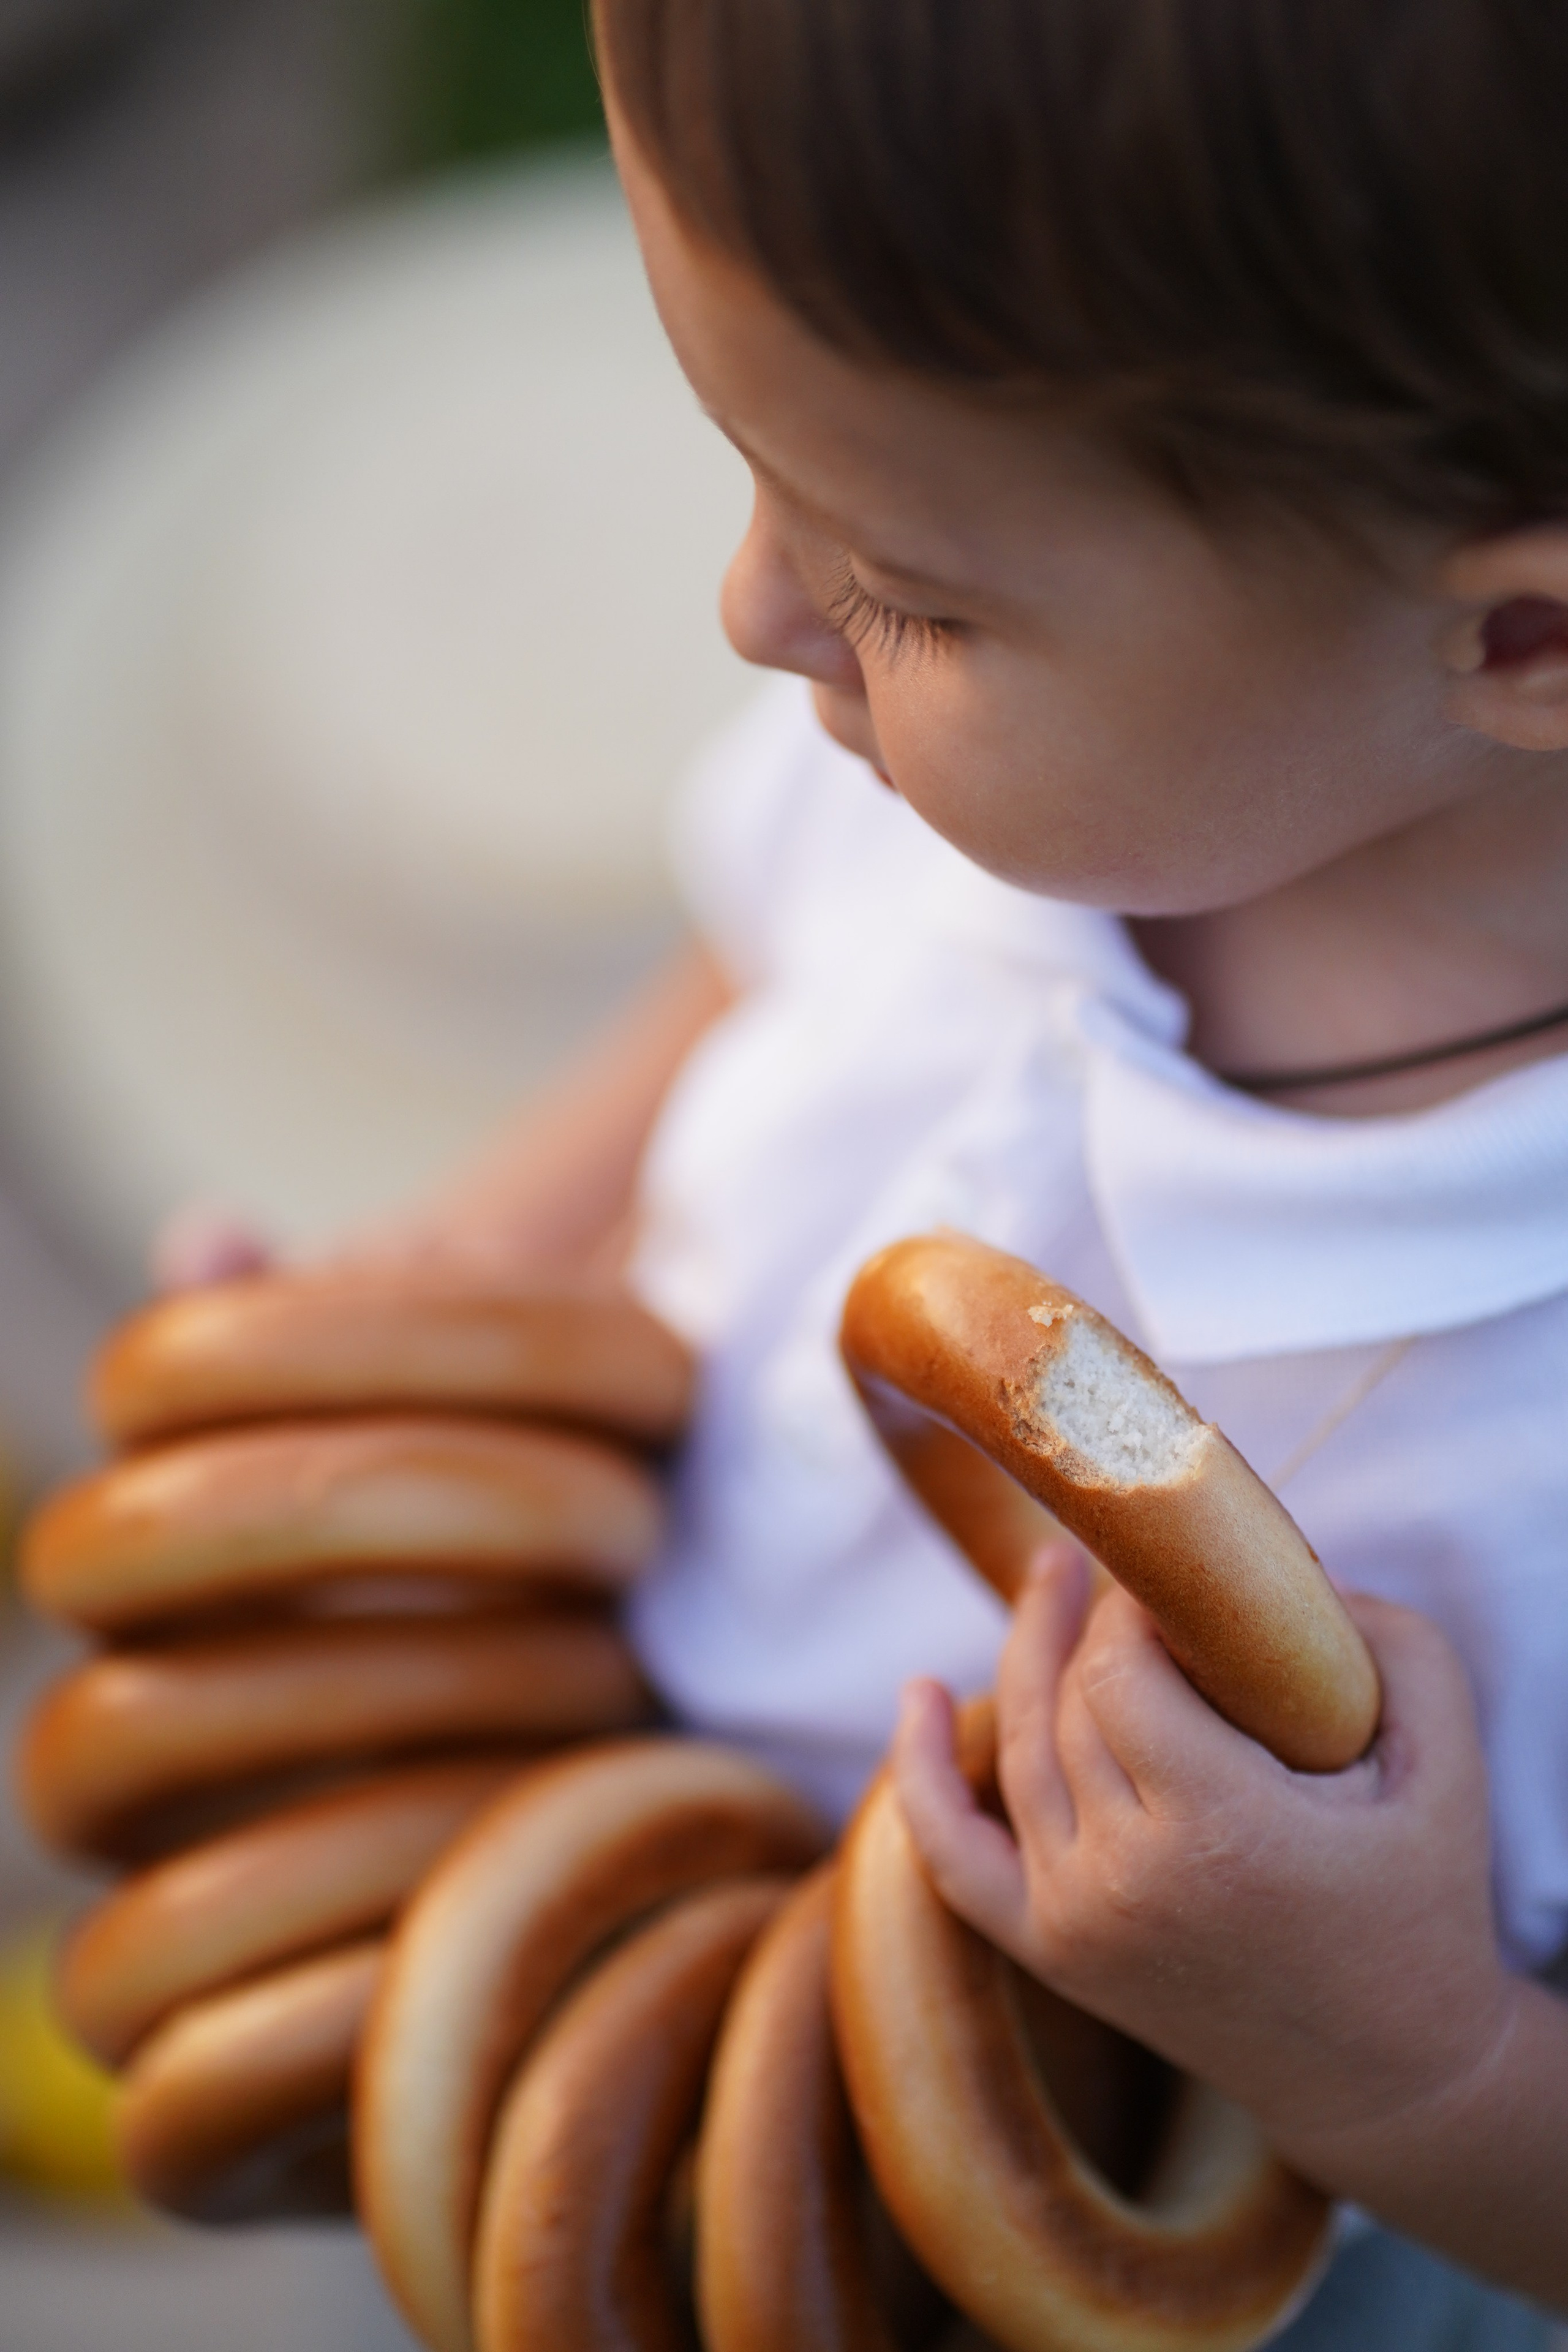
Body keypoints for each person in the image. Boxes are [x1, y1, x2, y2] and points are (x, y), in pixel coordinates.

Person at [165, 4, 1568, 2340]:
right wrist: (478, 1277)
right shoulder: (1036, 756)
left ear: (1529, 628)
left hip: (1174, 2204)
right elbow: (763, 960)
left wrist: (1417, 2058)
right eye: (753, 476)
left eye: (907, 584)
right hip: (603, 1840)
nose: (754, 616)